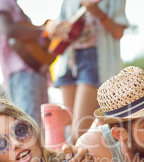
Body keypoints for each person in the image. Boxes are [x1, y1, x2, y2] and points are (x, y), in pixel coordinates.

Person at [49, 0, 128, 144]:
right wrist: (56, 26)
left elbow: (118, 32)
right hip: (69, 60)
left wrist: (98, 13)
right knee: (71, 130)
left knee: (78, 133)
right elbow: (55, 25)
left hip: (96, 61)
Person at [0, 0, 50, 125]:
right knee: (30, 124)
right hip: (22, 74)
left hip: (34, 72)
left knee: (42, 126)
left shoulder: (14, 7)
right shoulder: (3, 4)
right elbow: (9, 30)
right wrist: (42, 31)